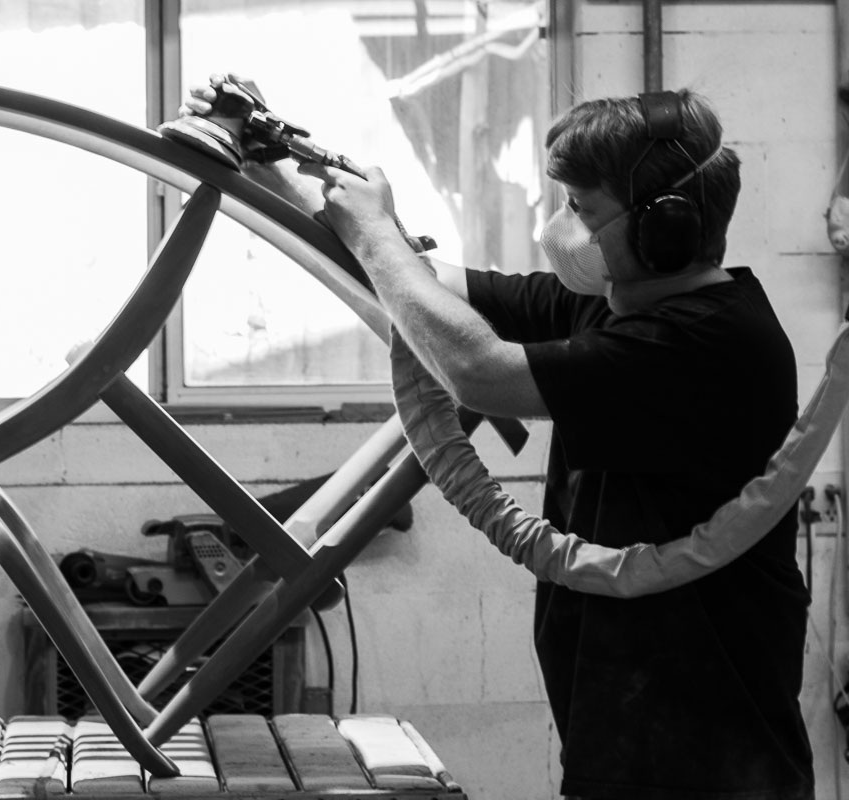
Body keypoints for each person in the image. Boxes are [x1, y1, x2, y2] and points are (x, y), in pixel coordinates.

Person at [182, 78, 814, 799]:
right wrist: (270, 161)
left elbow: (476, 371)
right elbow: (418, 285)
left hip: (711, 753)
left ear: (661, 230)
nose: (560, 228)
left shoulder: (707, 343)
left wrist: (374, 232)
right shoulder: (608, 306)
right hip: (627, 725)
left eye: (581, 209)